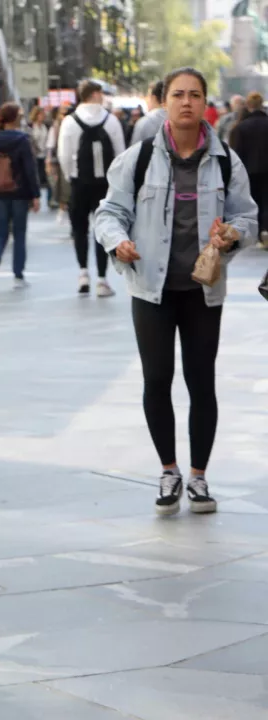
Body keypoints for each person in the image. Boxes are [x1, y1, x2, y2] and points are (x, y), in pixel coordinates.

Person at [94, 67, 258, 517]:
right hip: (152, 289)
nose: (187, 102)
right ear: (164, 101)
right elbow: (108, 212)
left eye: (195, 95)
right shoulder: (139, 158)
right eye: (178, 94)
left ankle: (199, 477)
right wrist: (117, 240)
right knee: (156, 379)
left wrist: (232, 234)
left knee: (201, 381)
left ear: (206, 103)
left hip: (203, 291)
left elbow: (248, 217)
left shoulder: (225, 160)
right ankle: (168, 470)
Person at [58, 79, 126, 296]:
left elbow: (64, 156)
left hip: (79, 183)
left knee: (79, 230)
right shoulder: (111, 120)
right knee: (102, 230)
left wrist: (70, 176)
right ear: (96, 94)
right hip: (104, 185)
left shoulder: (69, 122)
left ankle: (83, 273)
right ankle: (103, 279)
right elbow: (120, 154)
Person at [0, 102, 40, 289]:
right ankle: (18, 275)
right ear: (16, 118)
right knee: (20, 234)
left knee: (0, 232)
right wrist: (35, 195)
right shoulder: (22, 139)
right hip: (19, 192)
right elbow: (30, 169)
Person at [229, 91, 268, 248]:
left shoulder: (241, 127)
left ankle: (259, 232)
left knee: (254, 201)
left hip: (248, 171)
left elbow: (236, 152)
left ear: (249, 106)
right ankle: (267, 228)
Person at [27, 105, 50, 212]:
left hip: (44, 155)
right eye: (41, 114)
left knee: (43, 178)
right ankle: (34, 200)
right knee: (35, 177)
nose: (43, 116)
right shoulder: (31, 127)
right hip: (34, 156)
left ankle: (45, 200)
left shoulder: (45, 126)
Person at [131, 81, 168, 145]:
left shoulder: (143, 122)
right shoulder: (177, 120)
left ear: (153, 98)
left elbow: (134, 150)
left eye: (149, 96)